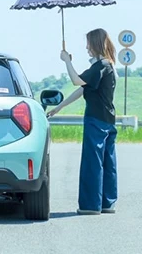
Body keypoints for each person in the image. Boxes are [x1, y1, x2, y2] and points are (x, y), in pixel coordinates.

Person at [47, 28, 118, 215]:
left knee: (92, 163)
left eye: (88, 44)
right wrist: (60, 107)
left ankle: (90, 206)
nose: (87, 48)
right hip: (108, 119)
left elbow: (76, 81)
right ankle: (107, 203)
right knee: (108, 162)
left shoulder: (100, 65)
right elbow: (83, 89)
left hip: (95, 119)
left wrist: (67, 61)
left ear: (95, 44)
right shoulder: (108, 65)